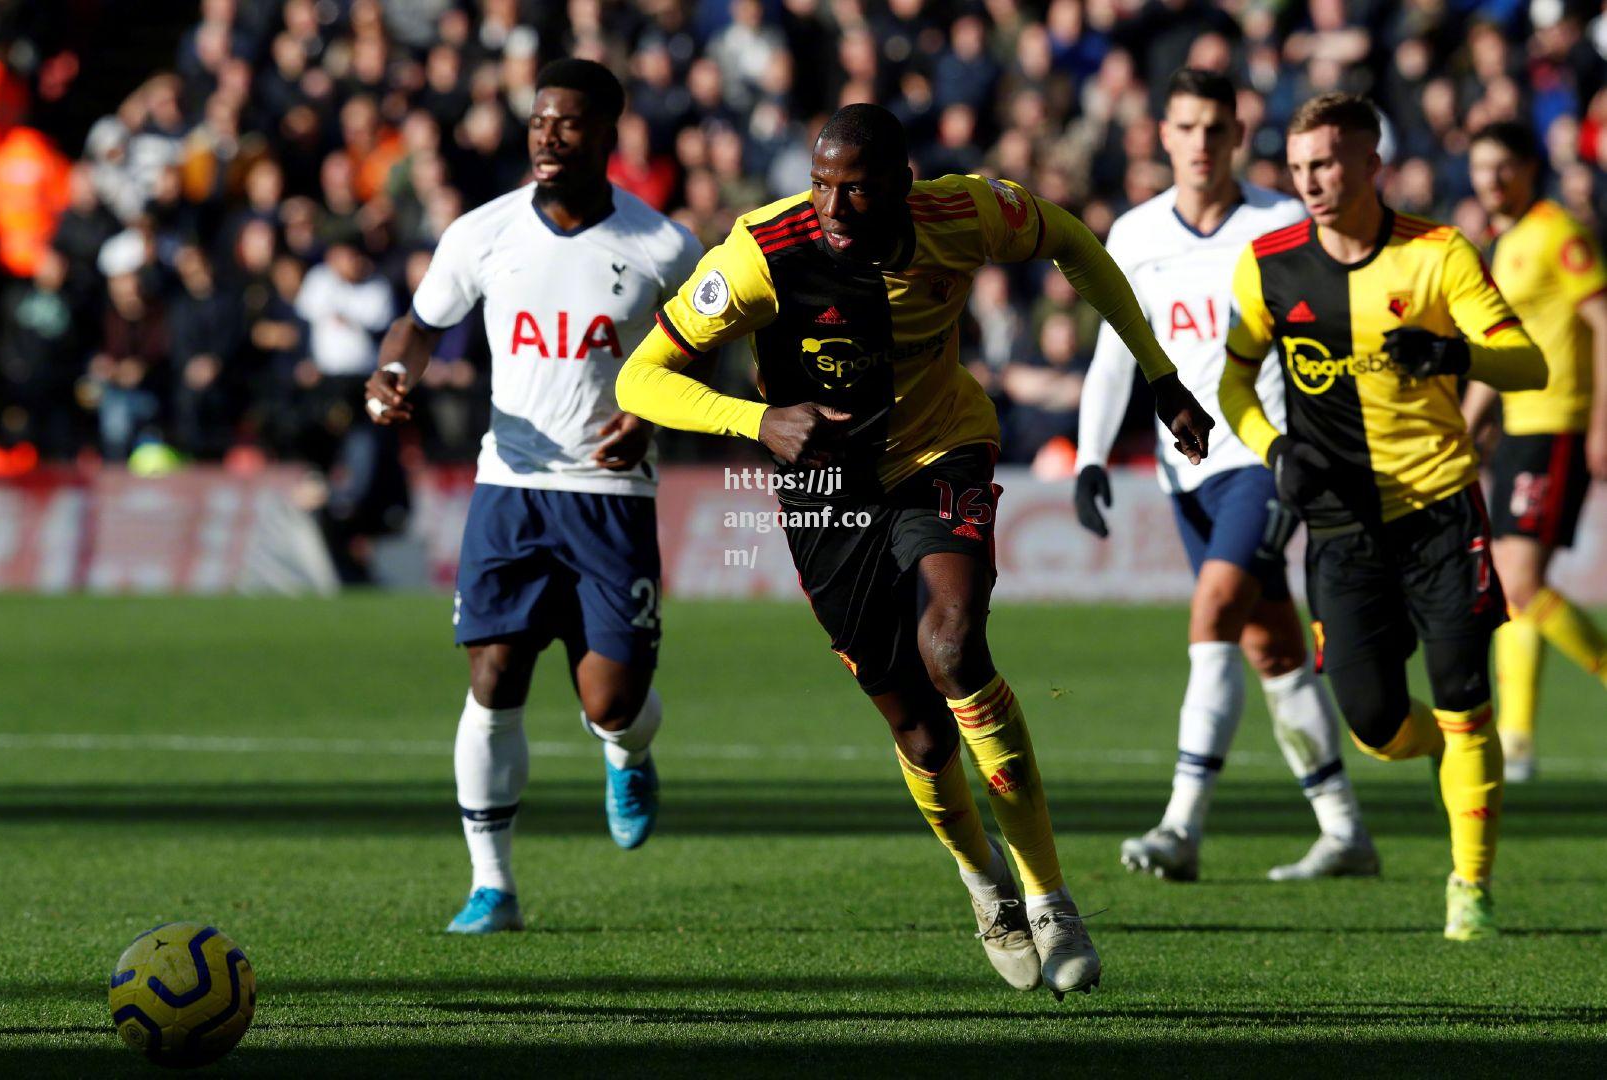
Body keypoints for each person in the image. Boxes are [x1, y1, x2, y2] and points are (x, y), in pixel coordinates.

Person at [616, 103, 1212, 997]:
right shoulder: (760, 254)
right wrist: (758, 420)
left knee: (954, 647)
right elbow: (641, 376)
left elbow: (1079, 245)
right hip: (825, 492)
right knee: (918, 728)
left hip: (942, 452)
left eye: (854, 186)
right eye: (821, 183)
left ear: (901, 182)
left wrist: (1160, 375)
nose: (833, 204)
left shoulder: (964, 214)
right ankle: (986, 886)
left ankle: (1052, 898)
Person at [365, 59, 704, 934]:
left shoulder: (662, 246)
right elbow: (424, 321)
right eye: (539, 122)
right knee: (494, 675)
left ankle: (627, 754)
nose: (549, 137)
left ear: (608, 133)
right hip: (509, 484)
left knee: (611, 704)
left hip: (609, 493)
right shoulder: (483, 233)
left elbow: (708, 343)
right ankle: (492, 885)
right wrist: (395, 370)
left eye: (568, 123)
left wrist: (652, 417)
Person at [1219, 93, 1546, 941]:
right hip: (1339, 528)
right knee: (1372, 727)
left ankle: (1469, 886)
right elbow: (1232, 380)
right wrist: (1272, 448)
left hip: (1441, 512)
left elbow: (1530, 363)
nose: (1311, 183)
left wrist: (1454, 353)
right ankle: (1451, 757)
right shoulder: (1268, 264)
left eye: (1326, 163)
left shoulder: (1438, 253)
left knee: (1466, 698)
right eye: (1297, 168)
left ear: (1372, 165)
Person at [1074, 69, 1375, 883]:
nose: (1202, 143)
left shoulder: (1281, 223)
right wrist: (1092, 455)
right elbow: (1113, 355)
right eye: (1187, 127)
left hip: (1267, 459)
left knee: (1213, 611)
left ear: (1239, 135)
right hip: (1186, 473)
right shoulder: (1134, 235)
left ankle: (1180, 826)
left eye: (1217, 128)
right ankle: (1345, 831)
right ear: (1161, 136)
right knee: (1271, 646)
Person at [1464, 122, 1607, 782]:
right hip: (1520, 426)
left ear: (1526, 169)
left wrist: (1602, 420)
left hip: (1558, 422)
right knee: (1512, 584)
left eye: (1503, 167)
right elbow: (1499, 352)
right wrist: (1468, 424)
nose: (1491, 179)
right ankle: (1516, 739)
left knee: (1518, 579)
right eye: (1480, 167)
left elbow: (1603, 322)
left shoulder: (1558, 233)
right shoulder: (1504, 244)